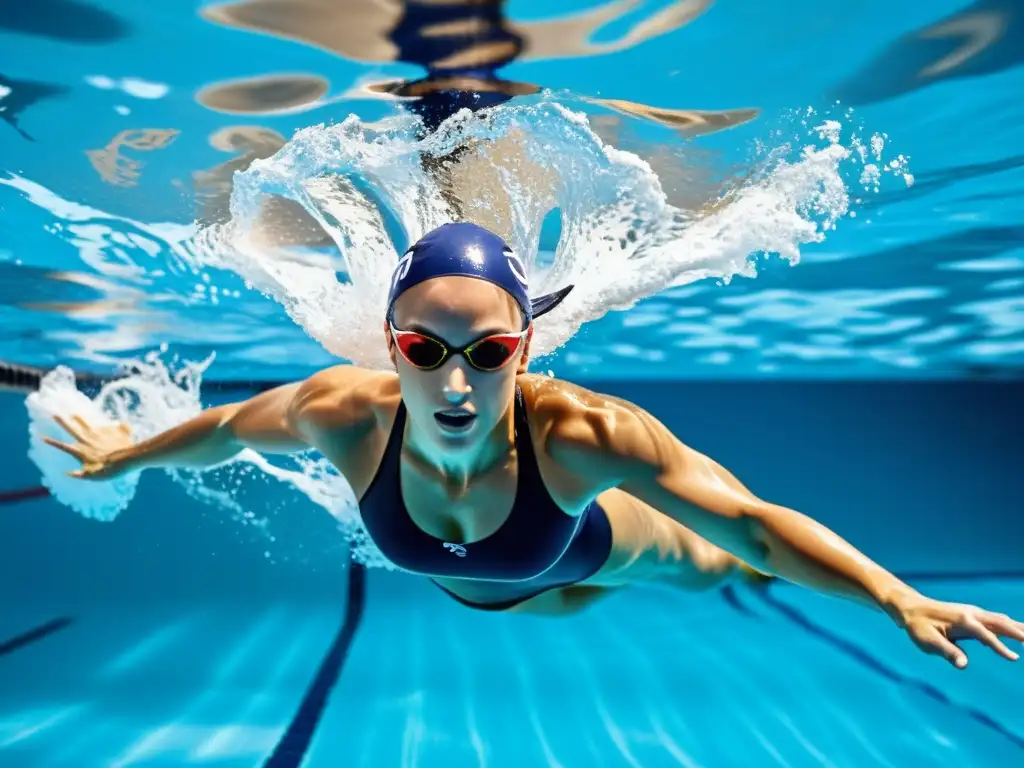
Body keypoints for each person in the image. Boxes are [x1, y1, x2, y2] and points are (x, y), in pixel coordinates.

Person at [46, 221, 1023, 670]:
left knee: (720, 562)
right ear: (390, 344)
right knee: (558, 607)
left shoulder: (580, 432)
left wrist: (893, 594)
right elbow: (220, 432)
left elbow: (758, 529)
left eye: (491, 351)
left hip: (608, 544)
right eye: (425, 351)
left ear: (527, 347)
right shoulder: (344, 412)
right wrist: (119, 457)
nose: (456, 382)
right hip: (522, 594)